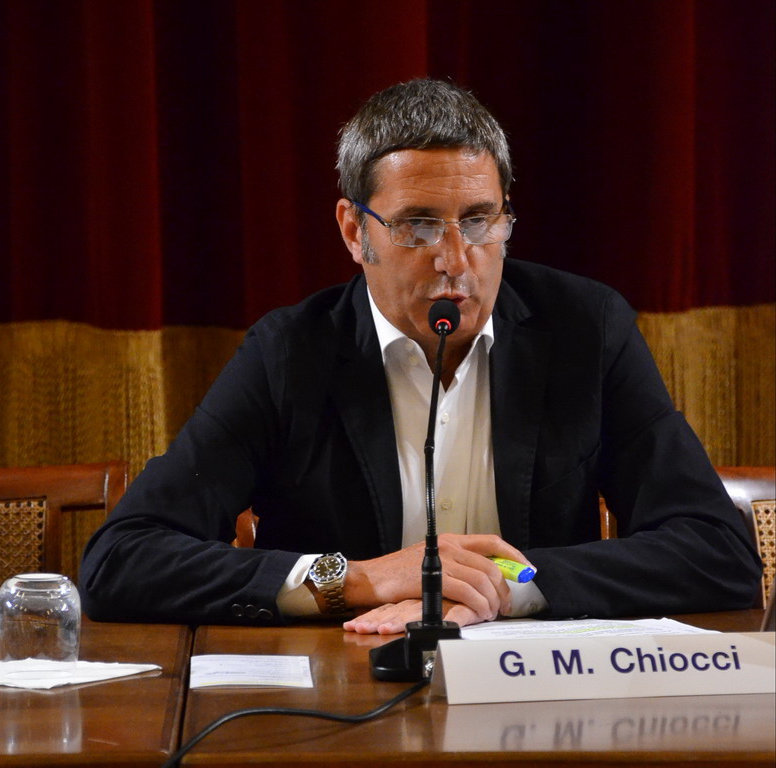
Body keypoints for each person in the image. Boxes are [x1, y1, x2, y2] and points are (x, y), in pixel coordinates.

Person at [80, 79, 761, 633]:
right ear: (355, 231)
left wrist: (509, 586)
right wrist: (357, 580)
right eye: (420, 225)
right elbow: (122, 559)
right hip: (344, 690)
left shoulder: (585, 330)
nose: (455, 260)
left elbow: (717, 551)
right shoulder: (290, 353)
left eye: (479, 221)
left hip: (532, 694)